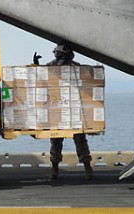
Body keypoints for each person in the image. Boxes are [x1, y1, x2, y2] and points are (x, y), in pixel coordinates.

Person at [47, 42, 94, 180]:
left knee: (80, 141)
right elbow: (40, 77)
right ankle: (54, 170)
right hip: (57, 110)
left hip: (74, 111)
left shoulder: (76, 67)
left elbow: (86, 80)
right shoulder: (51, 66)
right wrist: (35, 65)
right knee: (55, 141)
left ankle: (87, 168)